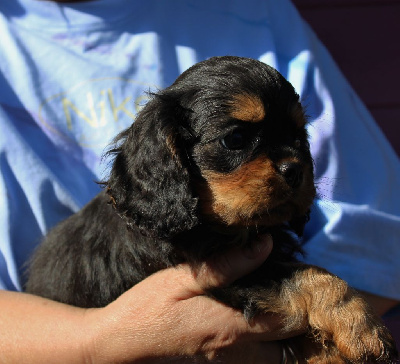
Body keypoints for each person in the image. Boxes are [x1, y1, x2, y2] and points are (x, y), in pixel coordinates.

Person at [0, 0, 399, 362]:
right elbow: (221, 288)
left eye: (297, 137)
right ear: (169, 156)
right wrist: (96, 343)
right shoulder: (169, 228)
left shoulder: (257, 12)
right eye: (235, 140)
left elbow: (381, 236)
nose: (291, 163)